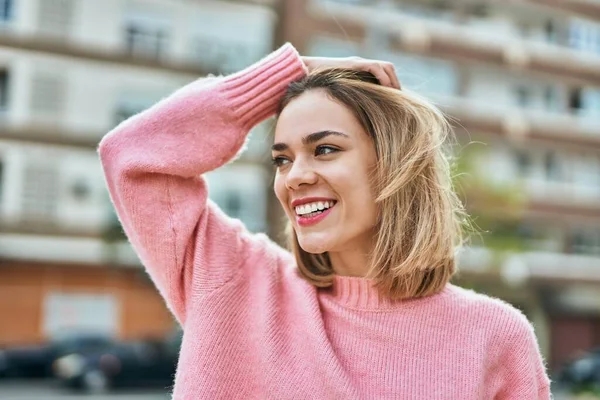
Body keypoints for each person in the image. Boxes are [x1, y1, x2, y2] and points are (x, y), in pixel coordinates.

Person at [99, 43, 551, 399]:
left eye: (325, 149)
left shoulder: (493, 336)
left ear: (395, 165)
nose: (295, 176)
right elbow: (131, 153)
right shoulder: (233, 281)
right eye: (282, 159)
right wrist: (289, 74)